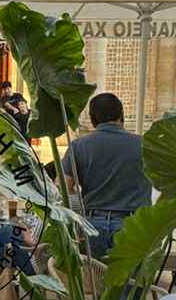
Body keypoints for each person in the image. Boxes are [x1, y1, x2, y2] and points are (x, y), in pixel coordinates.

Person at [61, 91, 153, 258]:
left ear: (92, 118)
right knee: (131, 275)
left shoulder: (79, 146)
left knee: (93, 274)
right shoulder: (145, 145)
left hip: (92, 226)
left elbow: (62, 187)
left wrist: (77, 201)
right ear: (121, 114)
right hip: (133, 225)